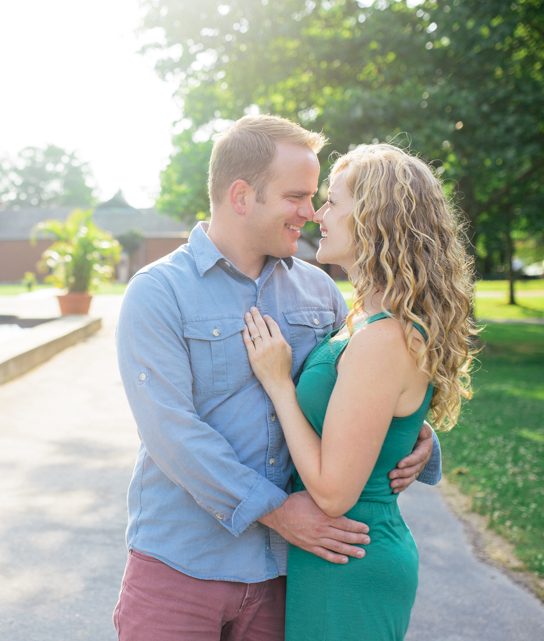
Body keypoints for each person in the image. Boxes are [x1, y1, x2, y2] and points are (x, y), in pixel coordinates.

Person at [114, 114, 442, 641]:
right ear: (242, 196)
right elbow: (171, 431)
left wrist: (420, 438)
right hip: (181, 566)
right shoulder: (158, 292)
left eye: (318, 197)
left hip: (286, 577)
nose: (310, 214)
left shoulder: (321, 292)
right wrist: (278, 512)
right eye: (297, 196)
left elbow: (361, 390)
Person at [241, 143, 476, 641]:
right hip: (337, 556)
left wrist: (280, 384)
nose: (318, 215)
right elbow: (378, 415)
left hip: (351, 559)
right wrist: (419, 432)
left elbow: (331, 492)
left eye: (333, 201)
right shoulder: (366, 321)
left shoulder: (383, 339)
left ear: (374, 217)